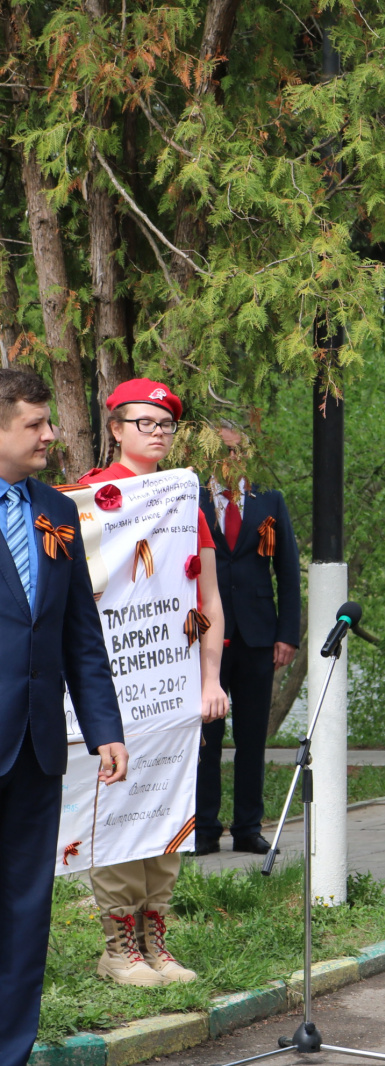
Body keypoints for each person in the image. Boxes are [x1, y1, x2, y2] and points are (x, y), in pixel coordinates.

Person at [80, 378, 228, 985]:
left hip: (173, 683)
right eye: (145, 423)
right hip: (111, 681)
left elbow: (209, 597)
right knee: (116, 800)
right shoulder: (84, 500)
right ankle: (118, 945)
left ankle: (154, 936)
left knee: (166, 800)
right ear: (115, 428)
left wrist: (210, 679)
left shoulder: (187, 504)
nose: (158, 433)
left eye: (166, 425)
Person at [0, 368, 126, 1066]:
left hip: (38, 746)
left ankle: (9, 1051)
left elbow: (81, 630)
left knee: (25, 911)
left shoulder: (57, 511)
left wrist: (104, 726)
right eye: (34, 424)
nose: (50, 434)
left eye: (49, 421)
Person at [195, 422, 300, 855]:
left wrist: (287, 634)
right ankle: (202, 830)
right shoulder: (192, 501)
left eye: (238, 451)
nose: (231, 458)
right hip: (205, 640)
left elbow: (288, 572)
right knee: (206, 742)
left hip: (259, 636)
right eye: (223, 451)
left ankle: (247, 829)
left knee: (252, 739)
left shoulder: (269, 500)